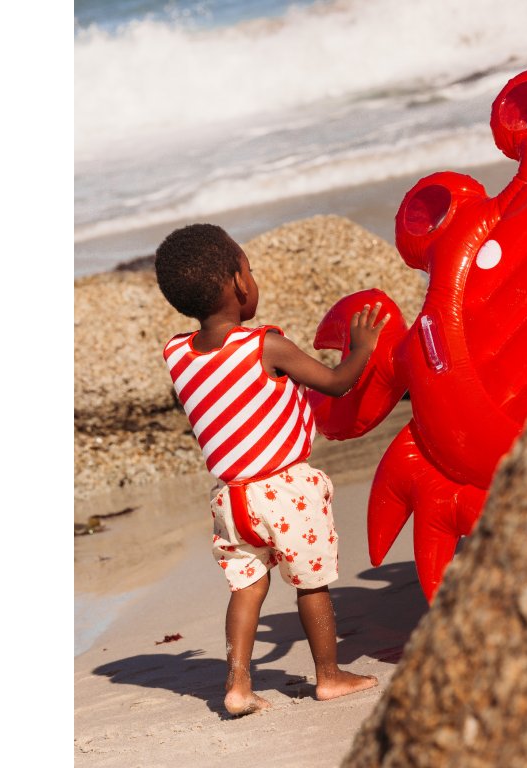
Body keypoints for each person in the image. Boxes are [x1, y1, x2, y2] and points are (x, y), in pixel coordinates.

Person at [154, 223, 388, 717]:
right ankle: (329, 676)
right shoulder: (265, 345)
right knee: (311, 584)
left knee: (247, 586)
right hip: (284, 490)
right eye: (250, 269)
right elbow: (336, 383)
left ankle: (238, 686)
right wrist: (363, 348)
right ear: (240, 283)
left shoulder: (176, 354)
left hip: (231, 499)